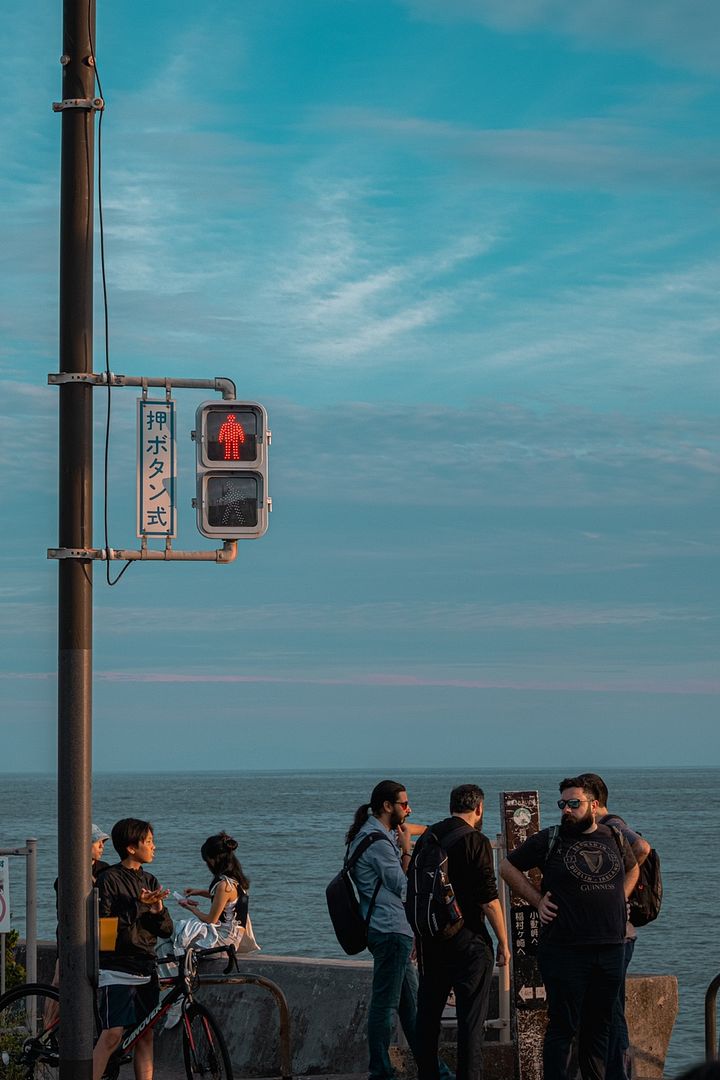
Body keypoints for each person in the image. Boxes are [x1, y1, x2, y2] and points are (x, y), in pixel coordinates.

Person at [500, 776, 639, 1080]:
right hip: (564, 950)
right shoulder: (550, 839)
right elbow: (507, 867)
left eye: (574, 803)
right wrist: (537, 901)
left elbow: (634, 867)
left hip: (610, 948)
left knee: (599, 1026)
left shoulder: (613, 837)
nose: (566, 809)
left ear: (592, 804)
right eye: (562, 803)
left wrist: (620, 896)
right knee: (563, 1025)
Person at [346, 780, 452, 1080]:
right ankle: (380, 1072)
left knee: (413, 1010)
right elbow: (405, 887)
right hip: (390, 930)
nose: (409, 808)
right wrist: (407, 852)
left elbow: (411, 828)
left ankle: (436, 1071)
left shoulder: (371, 833)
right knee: (385, 1006)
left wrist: (427, 831)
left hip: (392, 930)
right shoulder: (379, 844)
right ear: (386, 806)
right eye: (404, 804)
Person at [415, 784, 510, 1080]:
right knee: (470, 1023)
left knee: (427, 1017)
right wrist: (504, 943)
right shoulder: (475, 841)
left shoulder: (428, 838)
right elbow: (489, 900)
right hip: (469, 941)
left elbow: (415, 891)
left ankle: (428, 1074)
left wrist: (417, 936)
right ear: (479, 809)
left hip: (431, 940)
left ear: (451, 805)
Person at [580, 772, 651, 1080]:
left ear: (594, 803)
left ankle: (618, 1074)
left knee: (612, 1009)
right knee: (609, 1006)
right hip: (613, 933)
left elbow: (643, 847)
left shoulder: (613, 826)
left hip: (618, 934)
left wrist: (615, 887)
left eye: (578, 802)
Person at [92, 819, 173, 1080]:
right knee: (112, 1035)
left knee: (145, 1034)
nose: (154, 847)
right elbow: (104, 931)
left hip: (145, 966)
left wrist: (158, 909)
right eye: (148, 842)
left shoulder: (149, 879)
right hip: (116, 968)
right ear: (130, 847)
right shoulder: (108, 880)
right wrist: (138, 906)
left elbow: (166, 930)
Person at [176, 831, 250, 950]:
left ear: (212, 860)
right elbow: (226, 900)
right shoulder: (236, 881)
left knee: (176, 936)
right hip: (233, 937)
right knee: (183, 931)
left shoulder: (224, 885)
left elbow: (211, 919)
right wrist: (198, 892)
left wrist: (190, 908)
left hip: (223, 940)